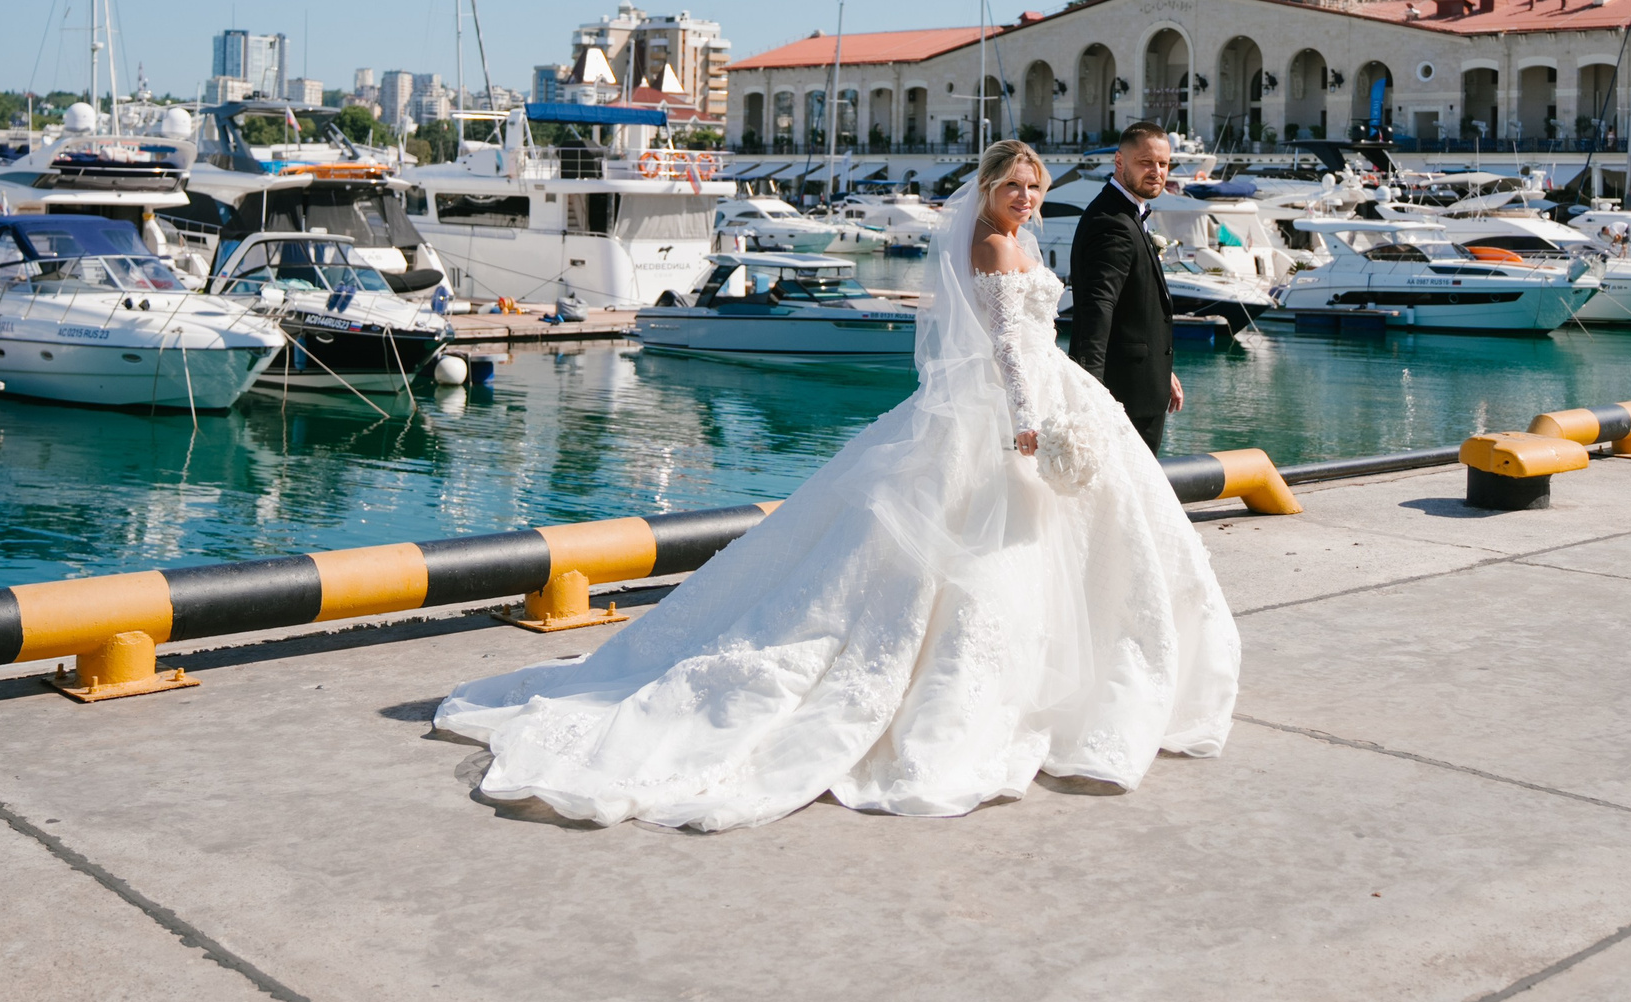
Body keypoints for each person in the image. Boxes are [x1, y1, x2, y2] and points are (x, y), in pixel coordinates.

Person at [431, 139, 1238, 832]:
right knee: (979, 560)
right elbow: (1004, 348)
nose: (1024, 198)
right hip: (1013, 405)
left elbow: (1035, 336)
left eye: (1032, 186)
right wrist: (1031, 425)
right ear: (988, 189)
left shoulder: (1021, 241)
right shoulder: (992, 247)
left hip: (1050, 391)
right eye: (1012, 186)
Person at [1065, 121, 1183, 452]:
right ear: (1119, 162)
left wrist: (1162, 373)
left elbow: (1136, 308)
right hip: (1123, 398)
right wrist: (1090, 391)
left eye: (1163, 163)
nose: (1157, 171)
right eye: (1146, 162)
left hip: (1142, 387)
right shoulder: (1111, 223)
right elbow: (1097, 310)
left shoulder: (1129, 216)